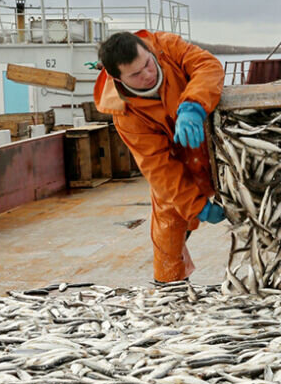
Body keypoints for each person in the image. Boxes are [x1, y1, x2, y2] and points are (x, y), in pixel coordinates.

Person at [94, 31, 226, 284]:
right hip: (179, 166)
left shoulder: (165, 46)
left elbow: (207, 66)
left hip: (215, 146)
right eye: (136, 74)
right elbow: (159, 168)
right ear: (116, 78)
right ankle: (170, 288)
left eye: (147, 63)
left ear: (148, 50)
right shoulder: (125, 115)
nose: (148, 74)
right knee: (168, 226)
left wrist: (193, 105)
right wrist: (197, 206)